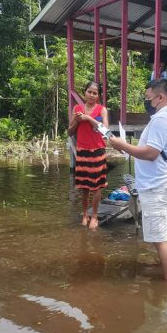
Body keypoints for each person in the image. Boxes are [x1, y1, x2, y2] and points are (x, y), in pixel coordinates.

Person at [109, 79, 167, 281]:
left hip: (156, 186)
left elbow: (151, 153)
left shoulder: (161, 119)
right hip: (162, 184)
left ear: (160, 97)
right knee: (165, 231)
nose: (146, 102)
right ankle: (166, 269)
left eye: (148, 98)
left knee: (160, 238)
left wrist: (122, 145)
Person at [68, 81, 108, 230]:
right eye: (89, 92)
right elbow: (70, 131)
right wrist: (76, 121)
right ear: (84, 93)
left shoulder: (102, 109)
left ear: (99, 96)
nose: (91, 95)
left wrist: (89, 119)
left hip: (97, 150)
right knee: (84, 185)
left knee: (97, 186)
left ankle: (95, 216)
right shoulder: (77, 109)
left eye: (95, 93)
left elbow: (105, 130)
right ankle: (85, 215)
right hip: (82, 150)